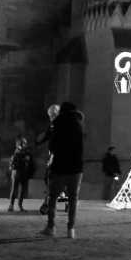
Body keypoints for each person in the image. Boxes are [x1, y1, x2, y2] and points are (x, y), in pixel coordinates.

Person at [41, 101, 85, 239]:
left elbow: (52, 146)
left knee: (53, 197)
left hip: (59, 166)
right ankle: (71, 229)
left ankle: (51, 227)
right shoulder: (79, 124)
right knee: (73, 199)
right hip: (76, 167)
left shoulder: (58, 123)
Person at [36, 103, 59, 215]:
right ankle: (48, 202)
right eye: (50, 116)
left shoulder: (60, 126)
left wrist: (53, 156)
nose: (50, 118)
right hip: (53, 155)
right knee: (48, 179)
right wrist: (38, 140)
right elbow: (46, 136)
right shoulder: (52, 125)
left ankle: (47, 204)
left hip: (58, 156)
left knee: (51, 179)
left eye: (52, 115)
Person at [7, 138, 35, 212]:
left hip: (24, 173)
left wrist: (30, 173)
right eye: (23, 143)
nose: (24, 145)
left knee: (22, 191)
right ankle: (11, 205)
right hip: (17, 173)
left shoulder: (28, 153)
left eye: (25, 143)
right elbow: (13, 163)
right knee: (14, 189)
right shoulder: (17, 152)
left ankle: (20, 205)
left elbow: (31, 164)